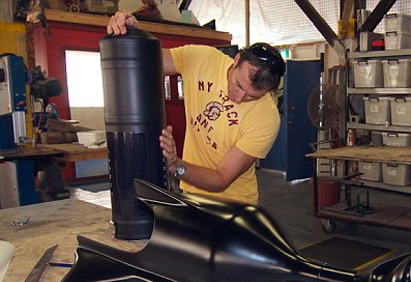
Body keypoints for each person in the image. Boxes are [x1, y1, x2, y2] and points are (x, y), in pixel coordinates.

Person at [107, 11, 285, 204]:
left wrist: (176, 166)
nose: (239, 98)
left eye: (252, 96)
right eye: (238, 85)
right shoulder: (203, 59)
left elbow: (220, 179)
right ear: (236, 60)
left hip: (235, 204)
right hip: (190, 194)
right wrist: (132, 35)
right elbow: (148, 60)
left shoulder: (266, 117)